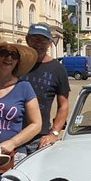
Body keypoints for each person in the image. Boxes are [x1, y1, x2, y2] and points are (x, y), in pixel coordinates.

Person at [22, 23, 70, 155]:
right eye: (35, 39)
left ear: (49, 43)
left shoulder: (57, 69)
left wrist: (54, 133)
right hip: (12, 134)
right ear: (27, 40)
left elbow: (63, 105)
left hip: (39, 138)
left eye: (43, 40)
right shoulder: (16, 64)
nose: (39, 44)